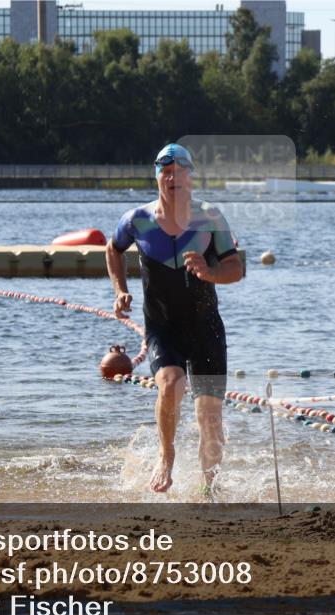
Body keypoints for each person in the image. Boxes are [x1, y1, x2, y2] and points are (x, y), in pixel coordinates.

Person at [105, 144, 244, 495]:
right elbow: (113, 249)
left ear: (190, 177)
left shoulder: (210, 218)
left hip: (205, 328)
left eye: (180, 171)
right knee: (169, 384)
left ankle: (208, 489)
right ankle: (165, 455)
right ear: (158, 178)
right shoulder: (137, 220)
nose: (173, 177)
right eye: (165, 171)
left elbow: (236, 269)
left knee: (209, 417)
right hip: (162, 327)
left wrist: (209, 272)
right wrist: (119, 290)